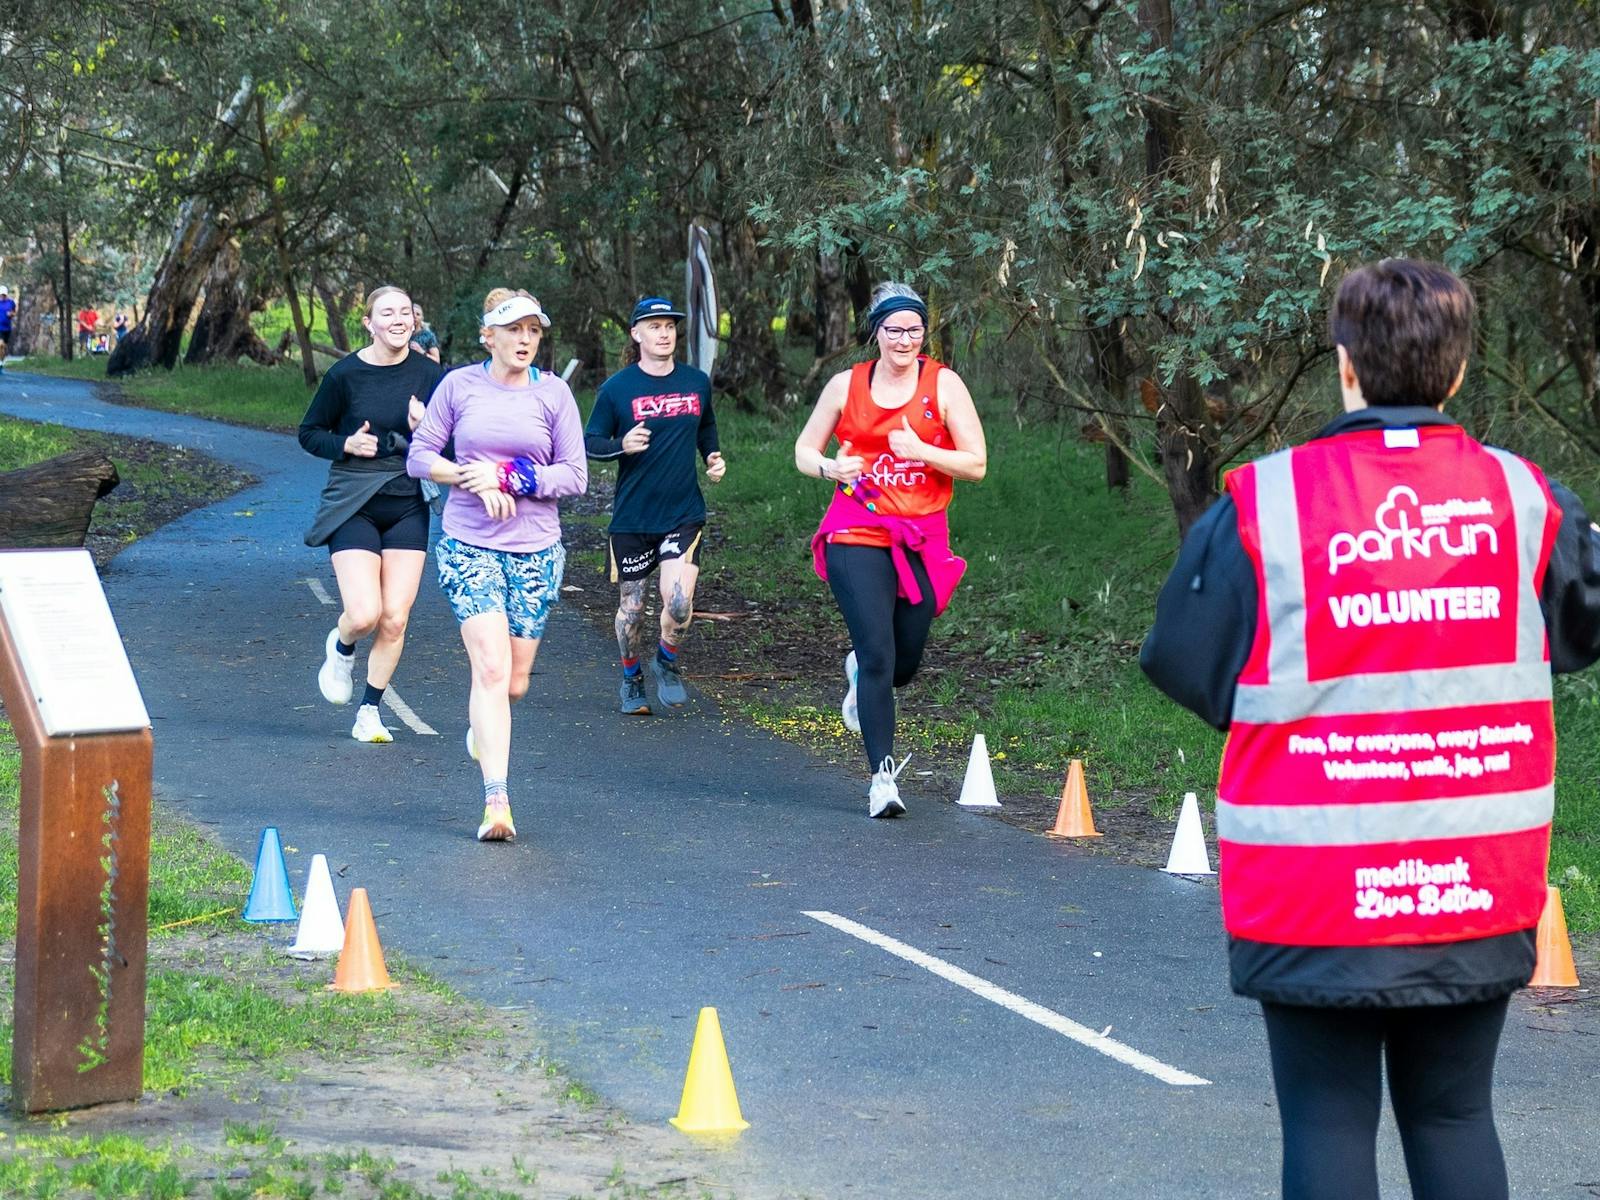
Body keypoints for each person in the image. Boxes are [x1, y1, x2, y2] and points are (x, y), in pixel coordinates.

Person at [1141, 258, 1600, 1200]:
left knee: (1326, 1120)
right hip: (1471, 877)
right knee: (1455, 1115)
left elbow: (1185, 663)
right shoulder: (1526, 500)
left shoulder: (1265, 504)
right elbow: (1582, 626)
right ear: (1461, 370)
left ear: (1344, 364)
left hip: (1312, 882)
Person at [794, 282, 987, 817]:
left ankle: (859, 668)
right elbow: (804, 451)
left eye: (915, 330)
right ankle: (882, 779)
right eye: (894, 329)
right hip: (856, 530)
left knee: (902, 664)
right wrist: (831, 467)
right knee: (881, 653)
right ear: (875, 332)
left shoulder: (943, 385)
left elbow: (976, 463)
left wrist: (922, 449)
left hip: (922, 536)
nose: (905, 339)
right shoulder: (844, 385)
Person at [407, 288, 587, 842]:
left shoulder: (554, 394)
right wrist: (468, 476)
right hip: (468, 543)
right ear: (490, 335)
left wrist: (512, 478)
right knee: (488, 669)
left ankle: (486, 726)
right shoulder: (459, 385)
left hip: (535, 546)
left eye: (534, 331)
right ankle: (496, 803)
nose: (526, 340)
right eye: (515, 330)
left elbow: (575, 476)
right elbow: (419, 455)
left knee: (513, 682)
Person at [300, 285, 445, 743]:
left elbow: (455, 443)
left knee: (395, 618)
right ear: (369, 322)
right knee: (364, 614)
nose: (398, 319)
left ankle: (369, 711)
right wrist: (345, 443)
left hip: (408, 502)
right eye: (387, 313)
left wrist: (428, 432)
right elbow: (309, 433)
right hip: (355, 501)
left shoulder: (432, 375)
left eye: (406, 311)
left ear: (414, 321)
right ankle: (342, 647)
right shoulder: (344, 376)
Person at [584, 296, 725, 714]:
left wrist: (712, 456)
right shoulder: (617, 389)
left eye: (669, 326)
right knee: (632, 610)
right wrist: (621, 445)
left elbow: (707, 424)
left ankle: (666, 662)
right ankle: (631, 679)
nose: (664, 333)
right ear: (636, 334)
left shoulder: (696, 381)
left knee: (679, 603)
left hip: (682, 512)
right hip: (632, 518)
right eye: (654, 326)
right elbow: (591, 442)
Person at [0, 285, 15, 368]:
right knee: (0, 344)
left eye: (4, 295)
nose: (2, 296)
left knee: (4, 347)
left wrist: (11, 314)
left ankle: (2, 361)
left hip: (7, 328)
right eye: (1, 294)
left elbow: (14, 312)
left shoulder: (11, 302)